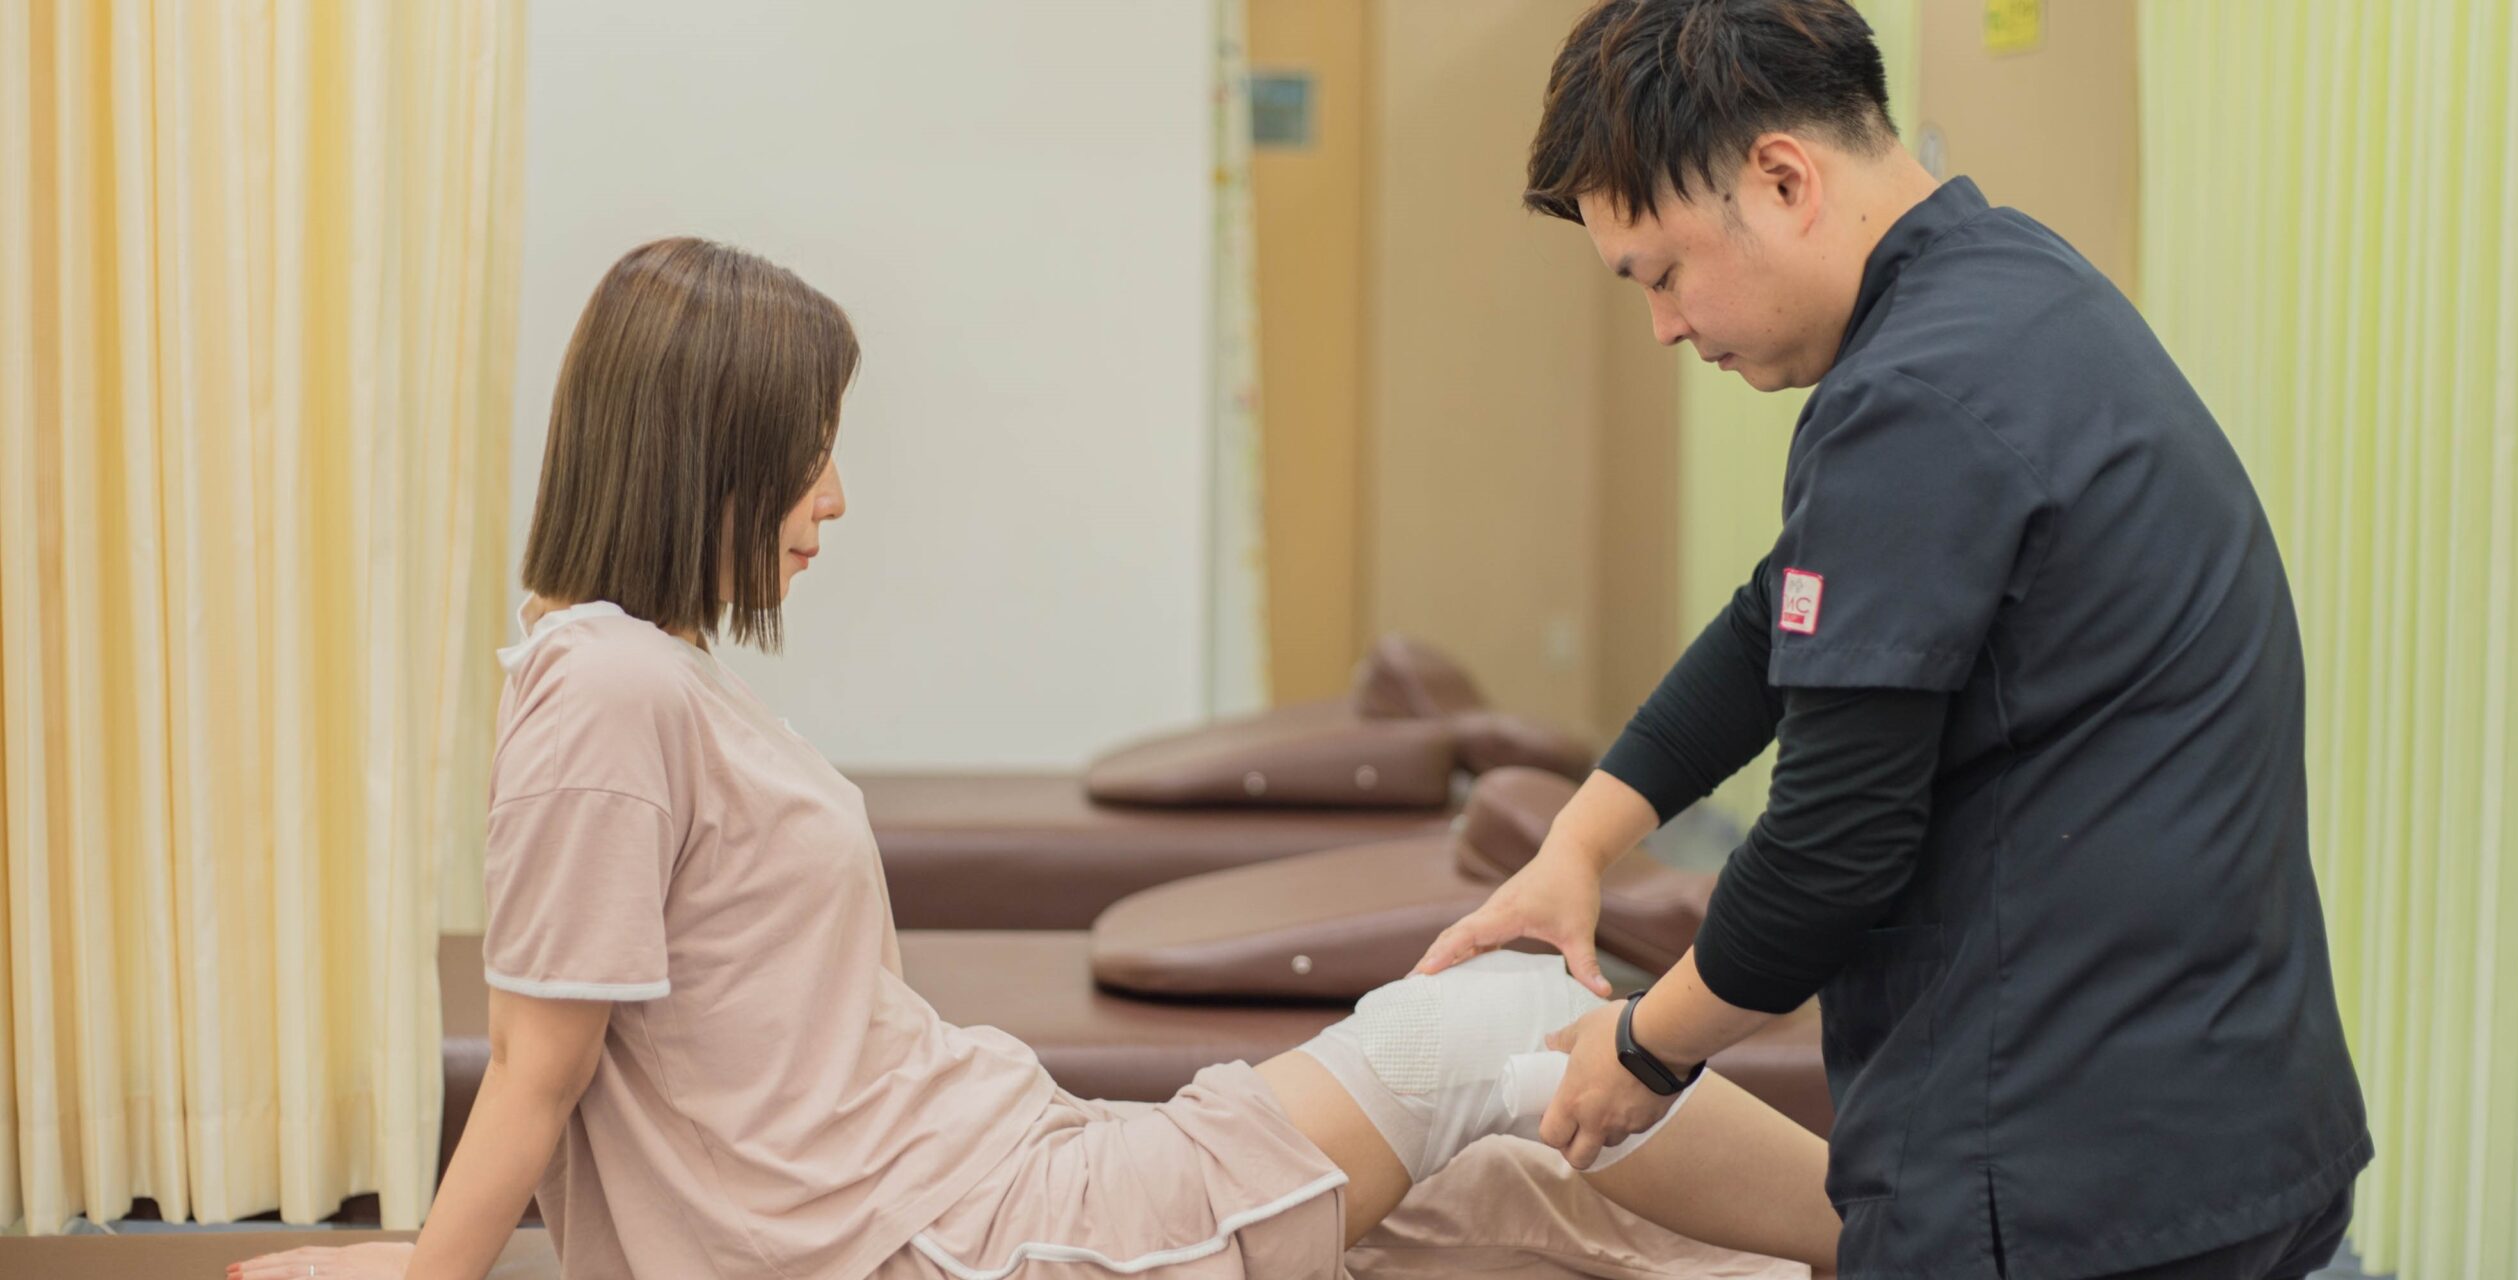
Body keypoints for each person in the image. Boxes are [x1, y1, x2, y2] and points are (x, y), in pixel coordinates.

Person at [229, 237, 1842, 1280]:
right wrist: (428, 1270)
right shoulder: (604, 695)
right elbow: (539, 1063)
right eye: (807, 458)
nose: (834, 500)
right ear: (704, 452)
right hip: (959, 1235)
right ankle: (1902, 1237)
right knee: (1514, 1019)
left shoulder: (645, 676)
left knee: (1513, 1164)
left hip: (1008, 1162)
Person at [1415, 2, 2370, 1277]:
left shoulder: (1905, 399)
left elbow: (1826, 850)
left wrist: (1645, 1047)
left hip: (2066, 1178)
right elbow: (1784, 611)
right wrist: (1582, 836)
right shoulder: (2010, 284)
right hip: (2223, 1119)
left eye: (1661, 271)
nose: (1666, 327)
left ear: (1781, 177)